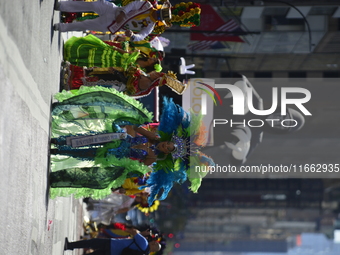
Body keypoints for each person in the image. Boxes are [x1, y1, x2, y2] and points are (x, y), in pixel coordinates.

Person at [53, 0, 172, 41]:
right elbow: (133, 5)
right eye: (159, 12)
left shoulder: (150, 26)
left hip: (112, 25)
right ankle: (62, 6)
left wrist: (132, 36)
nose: (157, 15)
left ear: (160, 20)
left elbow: (142, 36)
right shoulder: (146, 5)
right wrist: (123, 12)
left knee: (86, 24)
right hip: (114, 10)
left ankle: (62, 27)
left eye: (159, 17)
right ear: (159, 9)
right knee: (94, 5)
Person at [64, 228, 161, 254]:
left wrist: (143, 233)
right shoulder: (145, 253)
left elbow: (134, 231)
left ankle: (69, 245)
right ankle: (69, 246)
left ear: (153, 244)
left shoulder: (144, 242)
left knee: (91, 243)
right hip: (113, 253)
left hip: (113, 244)